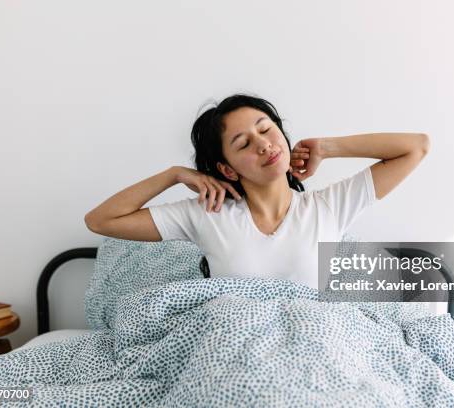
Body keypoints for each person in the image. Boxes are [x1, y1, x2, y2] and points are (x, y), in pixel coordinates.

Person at [84, 93, 430, 289]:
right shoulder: (205, 215)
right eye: (244, 143)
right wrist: (174, 175)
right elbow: (100, 220)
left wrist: (327, 147)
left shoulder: (328, 206)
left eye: (266, 129)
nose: (264, 145)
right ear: (227, 169)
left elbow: (416, 146)